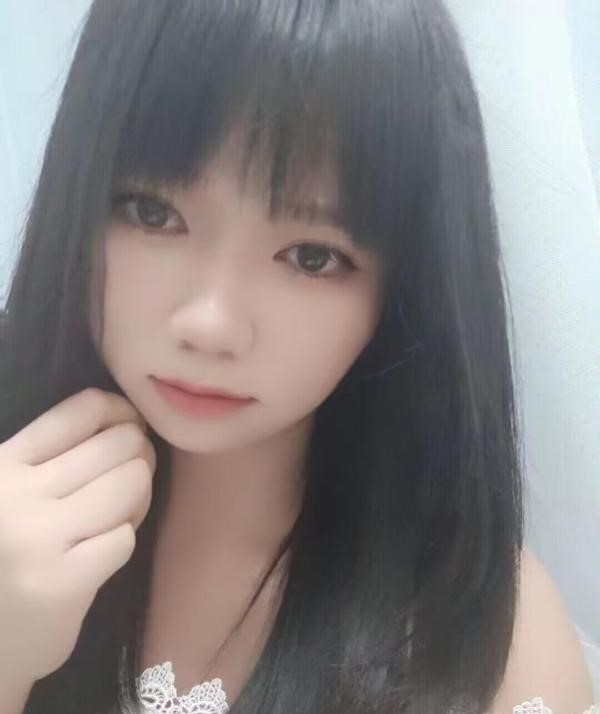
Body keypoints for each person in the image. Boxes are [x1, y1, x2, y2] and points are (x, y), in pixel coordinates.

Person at [0, 1, 596, 713]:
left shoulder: (484, 638)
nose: (211, 324)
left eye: (312, 257)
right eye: (153, 213)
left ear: (403, 290)